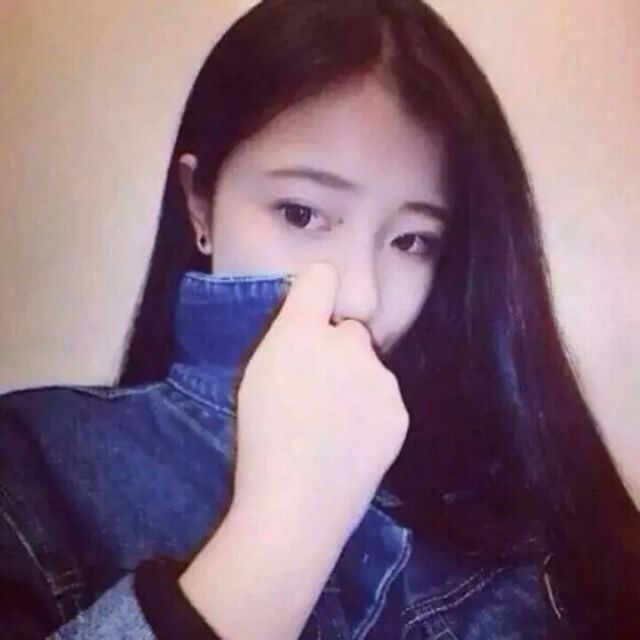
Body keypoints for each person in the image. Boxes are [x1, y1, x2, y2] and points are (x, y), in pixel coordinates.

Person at [1, 0, 638, 637]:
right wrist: (281, 532)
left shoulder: (516, 505)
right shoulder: (31, 471)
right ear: (200, 203)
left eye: (412, 240)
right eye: (302, 214)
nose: (361, 297)